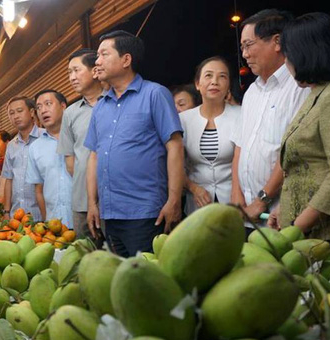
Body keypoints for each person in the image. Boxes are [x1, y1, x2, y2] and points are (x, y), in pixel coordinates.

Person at [85, 30, 184, 257]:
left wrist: (174, 200)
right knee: (120, 282)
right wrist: (92, 203)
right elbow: (94, 156)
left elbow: (175, 146)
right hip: (109, 215)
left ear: (126, 59)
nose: (97, 62)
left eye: (103, 54)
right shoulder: (101, 106)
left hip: (146, 213)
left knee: (146, 282)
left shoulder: (154, 94)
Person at [267, 12, 330, 243]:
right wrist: (284, 211)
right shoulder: (316, 94)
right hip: (307, 231)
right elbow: (303, 169)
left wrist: (297, 226)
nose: (285, 61)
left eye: (288, 53)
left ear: (306, 52)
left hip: (329, 236)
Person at [230, 9, 310, 232]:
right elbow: (240, 147)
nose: (244, 54)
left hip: (281, 214)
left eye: (248, 45)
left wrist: (261, 200)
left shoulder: (299, 87)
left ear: (277, 42)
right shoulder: (252, 92)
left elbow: (294, 152)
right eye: (242, 48)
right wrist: (236, 194)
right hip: (246, 213)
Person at [181, 56, 240, 215]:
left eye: (222, 76)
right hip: (197, 204)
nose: (215, 81)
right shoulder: (183, 120)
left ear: (228, 85)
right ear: (197, 84)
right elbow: (174, 164)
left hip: (234, 203)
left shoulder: (241, 115)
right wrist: (193, 188)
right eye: (208, 75)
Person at [57, 48, 105, 237]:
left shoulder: (115, 103)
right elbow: (70, 162)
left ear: (94, 71)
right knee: (86, 258)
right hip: (82, 201)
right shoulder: (70, 113)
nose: (72, 77)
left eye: (77, 70)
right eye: (69, 72)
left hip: (116, 201)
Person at [26, 90, 73, 227]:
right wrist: (47, 221)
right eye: (39, 107)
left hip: (84, 220)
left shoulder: (80, 136)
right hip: (55, 225)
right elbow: (39, 190)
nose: (43, 110)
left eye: (48, 104)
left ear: (63, 106)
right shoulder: (35, 148)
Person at [1, 97, 44, 220]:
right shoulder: (11, 146)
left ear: (31, 112)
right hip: (17, 216)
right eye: (11, 113)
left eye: (20, 111)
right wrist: (6, 211)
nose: (15, 116)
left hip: (41, 215)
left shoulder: (46, 137)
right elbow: (9, 180)